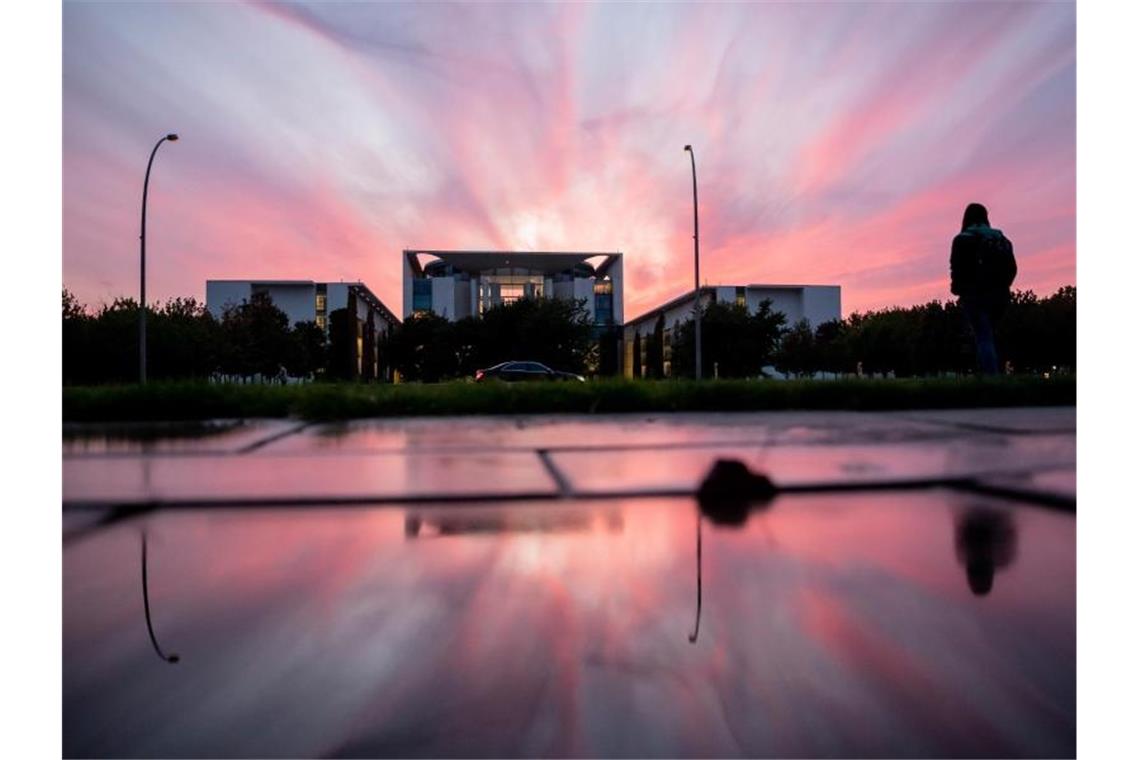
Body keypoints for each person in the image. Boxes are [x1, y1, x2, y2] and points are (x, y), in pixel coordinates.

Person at [950, 203, 1017, 375]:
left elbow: (956, 269)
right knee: (990, 337)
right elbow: (1012, 268)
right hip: (1000, 297)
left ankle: (991, 379)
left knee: (983, 337)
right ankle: (993, 375)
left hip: (974, 296)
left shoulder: (962, 240)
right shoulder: (1001, 239)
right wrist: (1004, 286)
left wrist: (958, 290)